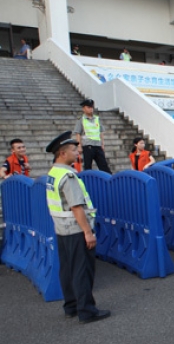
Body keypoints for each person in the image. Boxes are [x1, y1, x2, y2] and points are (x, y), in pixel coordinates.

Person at [45, 131, 111, 324]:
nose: (78, 152)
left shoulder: (53, 174)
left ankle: (71, 306)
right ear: (62, 153)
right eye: (74, 149)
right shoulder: (68, 176)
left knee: (67, 269)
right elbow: (76, 207)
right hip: (76, 230)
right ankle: (87, 311)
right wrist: (88, 232)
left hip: (62, 230)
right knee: (82, 271)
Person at [73, 99, 112, 174]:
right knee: (88, 166)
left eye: (92, 107)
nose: (91, 109)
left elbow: (101, 132)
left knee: (104, 166)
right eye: (88, 107)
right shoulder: (81, 120)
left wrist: (102, 144)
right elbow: (78, 133)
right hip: (88, 146)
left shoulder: (97, 119)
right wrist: (79, 146)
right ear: (83, 108)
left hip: (97, 145)